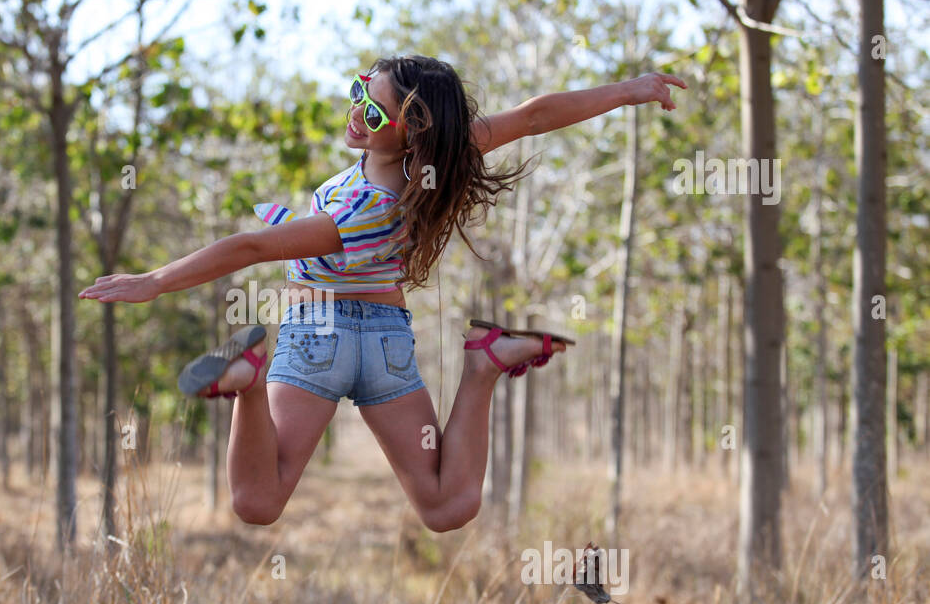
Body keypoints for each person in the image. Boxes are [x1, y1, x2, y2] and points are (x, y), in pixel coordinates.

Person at [79, 55, 686, 532]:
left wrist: (155, 281)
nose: (356, 113)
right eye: (358, 92)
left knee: (257, 501)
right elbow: (531, 115)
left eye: (372, 111)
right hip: (387, 345)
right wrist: (628, 90)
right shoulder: (440, 157)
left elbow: (252, 248)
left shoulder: (364, 209)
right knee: (447, 508)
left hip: (319, 334)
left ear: (409, 129)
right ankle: (483, 367)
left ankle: (250, 385)